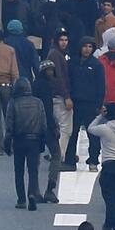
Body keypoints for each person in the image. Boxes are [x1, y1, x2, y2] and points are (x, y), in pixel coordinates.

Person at [4, 77, 46, 209]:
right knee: (33, 170)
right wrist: (42, 141)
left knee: (19, 170)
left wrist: (7, 143)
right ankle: (32, 194)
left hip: (19, 140)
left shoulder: (13, 103)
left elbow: (9, 125)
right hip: (34, 140)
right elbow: (43, 124)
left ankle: (21, 199)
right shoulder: (38, 103)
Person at [65, 37, 106, 171]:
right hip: (75, 103)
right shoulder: (72, 63)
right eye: (84, 46)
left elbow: (101, 86)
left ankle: (93, 160)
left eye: (90, 46)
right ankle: (70, 160)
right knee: (72, 133)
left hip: (91, 104)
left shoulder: (97, 65)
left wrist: (99, 105)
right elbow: (67, 81)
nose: (87, 49)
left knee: (93, 134)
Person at [33, 60, 64, 204]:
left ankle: (34, 190)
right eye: (49, 71)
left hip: (33, 126)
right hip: (47, 127)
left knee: (35, 158)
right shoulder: (47, 86)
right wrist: (54, 127)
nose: (51, 73)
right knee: (56, 154)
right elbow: (47, 109)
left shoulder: (34, 85)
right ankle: (50, 188)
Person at [47, 30, 74, 163]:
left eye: (66, 40)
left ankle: (54, 153)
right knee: (65, 128)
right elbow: (59, 77)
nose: (64, 43)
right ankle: (60, 156)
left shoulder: (56, 54)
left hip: (56, 95)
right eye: (61, 40)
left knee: (57, 126)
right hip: (60, 96)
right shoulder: (56, 55)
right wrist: (67, 96)